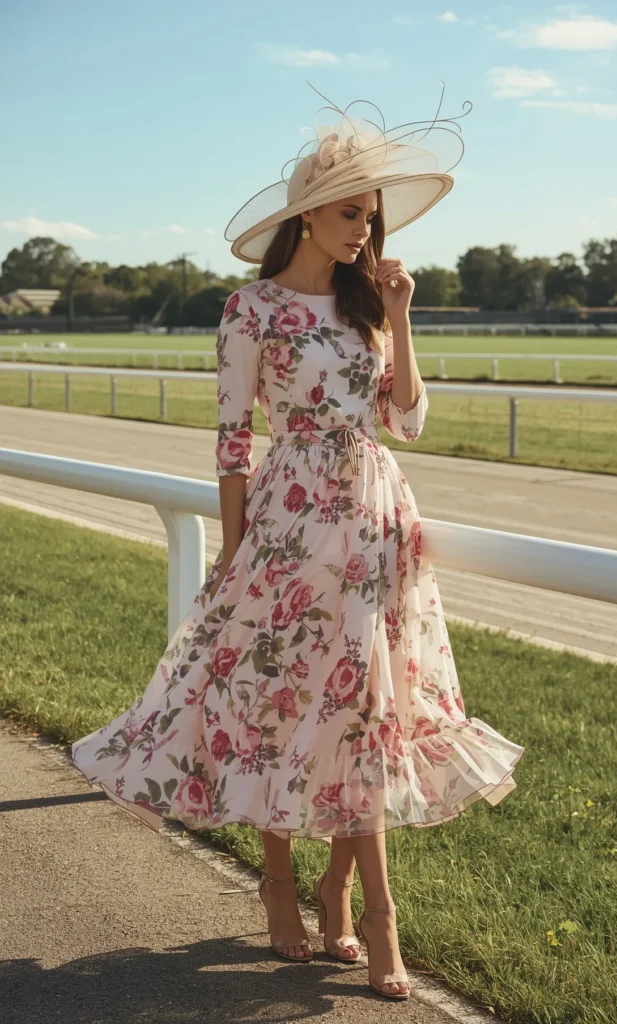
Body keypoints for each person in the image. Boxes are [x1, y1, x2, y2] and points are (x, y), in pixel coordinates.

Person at [71, 82, 525, 1001]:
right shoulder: (252, 310)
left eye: (372, 215)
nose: (365, 228)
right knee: (272, 694)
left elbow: (409, 422)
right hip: (288, 520)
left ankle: (358, 902)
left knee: (364, 707)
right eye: (351, 211)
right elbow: (234, 440)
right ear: (308, 213)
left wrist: (399, 316)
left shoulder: (367, 302)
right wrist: (236, 554)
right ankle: (281, 880)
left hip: (374, 519)